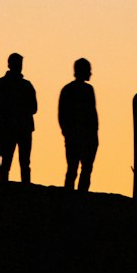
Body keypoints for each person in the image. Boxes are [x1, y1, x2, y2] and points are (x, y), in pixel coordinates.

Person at [0, 53, 38, 183]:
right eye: (18, 64)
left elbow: (34, 108)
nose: (20, 66)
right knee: (16, 161)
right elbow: (34, 108)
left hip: (12, 128)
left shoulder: (1, 83)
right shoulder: (25, 85)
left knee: (12, 161)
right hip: (16, 128)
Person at [58, 58, 99, 192]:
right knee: (81, 169)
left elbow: (62, 115)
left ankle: (72, 197)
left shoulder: (68, 89)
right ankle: (79, 197)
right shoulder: (85, 90)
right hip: (82, 135)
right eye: (89, 70)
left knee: (75, 169)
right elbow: (92, 115)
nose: (91, 73)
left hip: (79, 136)